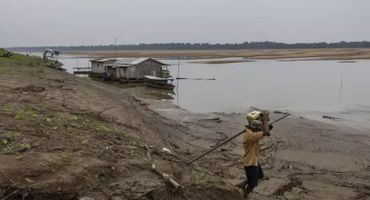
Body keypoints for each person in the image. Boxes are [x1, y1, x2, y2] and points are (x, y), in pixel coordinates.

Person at [241, 111, 272, 198]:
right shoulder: (251, 136)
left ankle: (243, 184)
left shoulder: (250, 131)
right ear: (254, 128)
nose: (260, 129)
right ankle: (244, 195)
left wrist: (265, 120)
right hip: (250, 163)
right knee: (253, 184)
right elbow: (266, 132)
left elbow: (267, 129)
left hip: (254, 160)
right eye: (258, 128)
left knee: (260, 175)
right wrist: (265, 120)